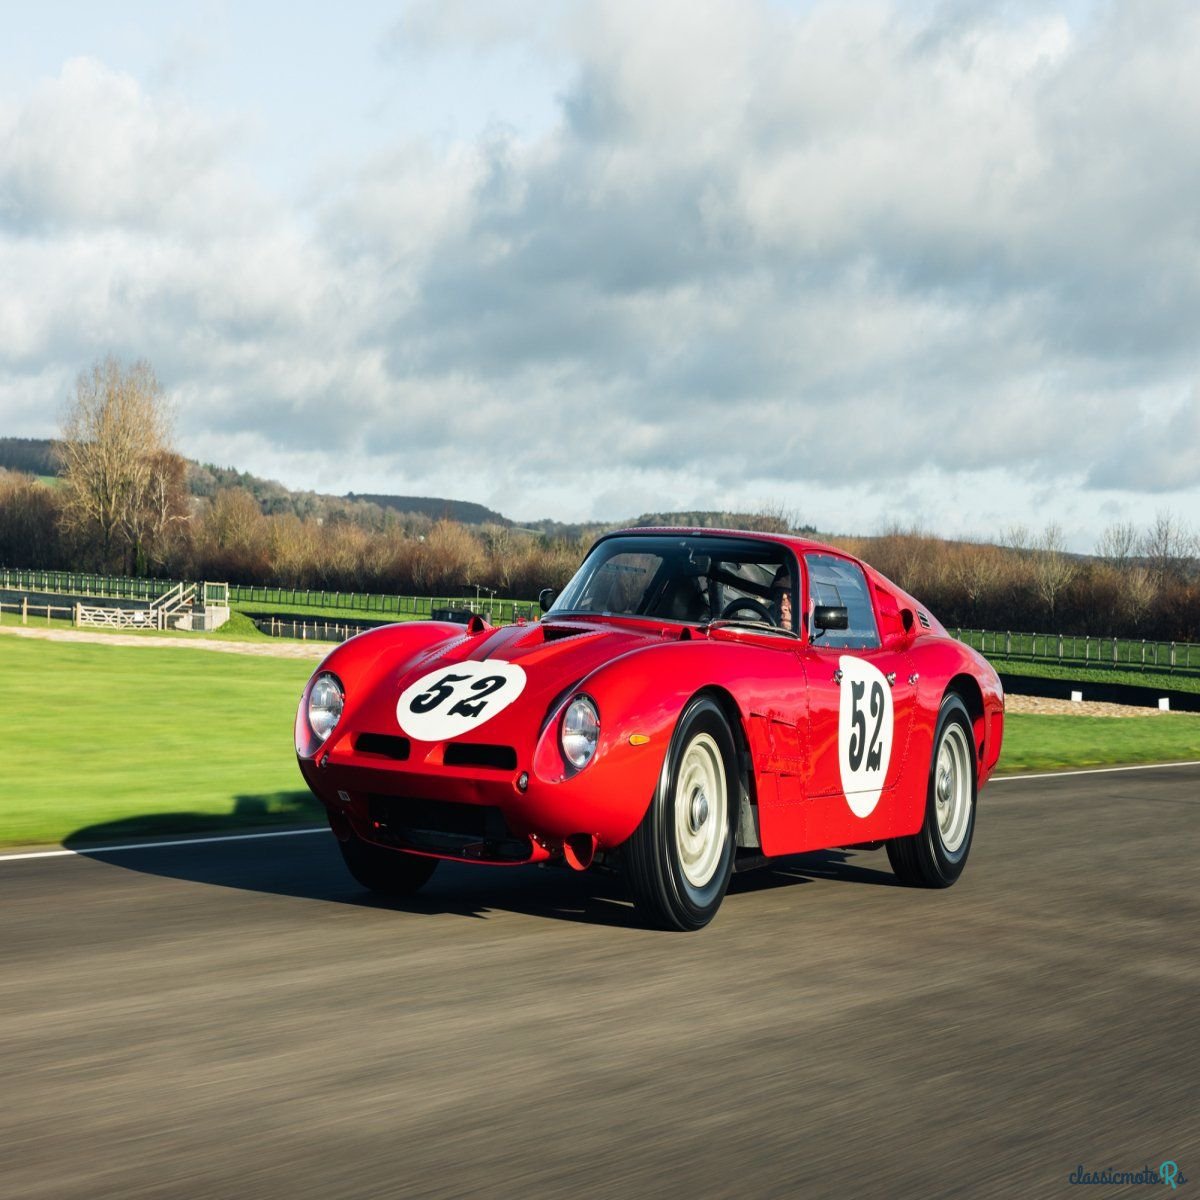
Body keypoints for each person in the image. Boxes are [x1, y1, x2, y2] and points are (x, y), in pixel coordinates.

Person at [769, 565, 794, 630]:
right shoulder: (770, 614)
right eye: (778, 597)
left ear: (810, 606)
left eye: (791, 598)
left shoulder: (821, 639)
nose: (782, 607)